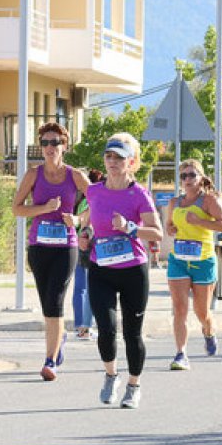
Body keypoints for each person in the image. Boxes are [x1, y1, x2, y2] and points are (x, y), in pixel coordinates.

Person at [78, 133, 162, 409]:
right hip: (101, 268)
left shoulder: (139, 194)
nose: (113, 162)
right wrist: (85, 234)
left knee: (132, 333)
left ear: (131, 162)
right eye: (109, 156)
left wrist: (130, 227)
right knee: (105, 328)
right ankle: (111, 375)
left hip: (133, 270)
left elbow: (157, 233)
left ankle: (134, 386)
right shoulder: (94, 191)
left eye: (119, 157)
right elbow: (89, 222)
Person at [13, 122, 88, 380]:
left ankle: (50, 360)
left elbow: (97, 202)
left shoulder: (75, 176)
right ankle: (59, 338)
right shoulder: (33, 175)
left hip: (65, 248)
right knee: (47, 303)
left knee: (55, 301)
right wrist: (44, 209)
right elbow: (17, 208)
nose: (49, 147)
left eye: (55, 142)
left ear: (64, 146)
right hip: (39, 247)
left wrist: (78, 220)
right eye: (45, 143)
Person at [163, 159, 222, 369]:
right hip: (179, 260)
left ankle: (209, 331)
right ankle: (180, 354)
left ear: (201, 178)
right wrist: (171, 229)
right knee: (179, 308)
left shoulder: (209, 200)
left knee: (202, 312)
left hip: (203, 261)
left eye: (192, 175)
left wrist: (199, 221)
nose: (187, 179)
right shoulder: (174, 202)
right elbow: (169, 226)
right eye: (183, 176)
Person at [70, 169, 102, 341]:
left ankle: (80, 325)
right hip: (88, 244)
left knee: (80, 287)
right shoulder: (92, 201)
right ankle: (85, 327)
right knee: (89, 288)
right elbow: (88, 222)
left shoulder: (79, 201)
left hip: (77, 243)